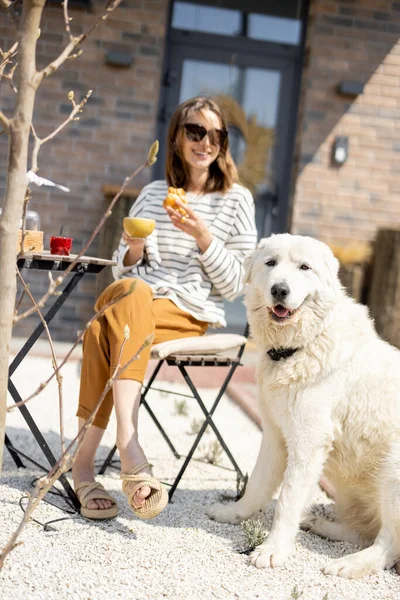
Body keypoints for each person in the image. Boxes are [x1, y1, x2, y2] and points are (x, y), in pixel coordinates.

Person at [72, 96, 258, 520]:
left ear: (223, 144)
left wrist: (203, 236)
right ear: (176, 138)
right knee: (132, 293)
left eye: (216, 135)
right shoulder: (154, 194)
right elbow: (121, 268)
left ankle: (85, 465)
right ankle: (128, 444)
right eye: (195, 131)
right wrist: (134, 249)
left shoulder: (236, 201)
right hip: (136, 302)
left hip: (187, 314)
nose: (205, 142)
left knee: (102, 332)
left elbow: (235, 287)